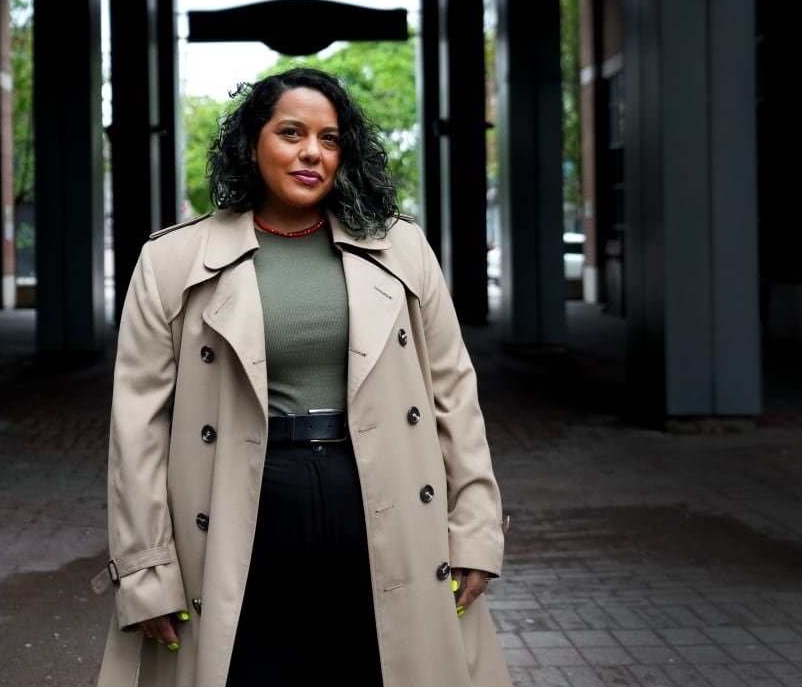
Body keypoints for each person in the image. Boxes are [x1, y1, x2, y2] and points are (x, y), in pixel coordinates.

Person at [91, 66, 513, 687]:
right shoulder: (172, 260)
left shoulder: (402, 249)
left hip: (379, 504)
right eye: (291, 132)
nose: (312, 151)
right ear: (252, 142)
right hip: (239, 508)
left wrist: (475, 530)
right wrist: (146, 569)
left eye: (330, 138)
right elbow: (138, 430)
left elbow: (454, 395)